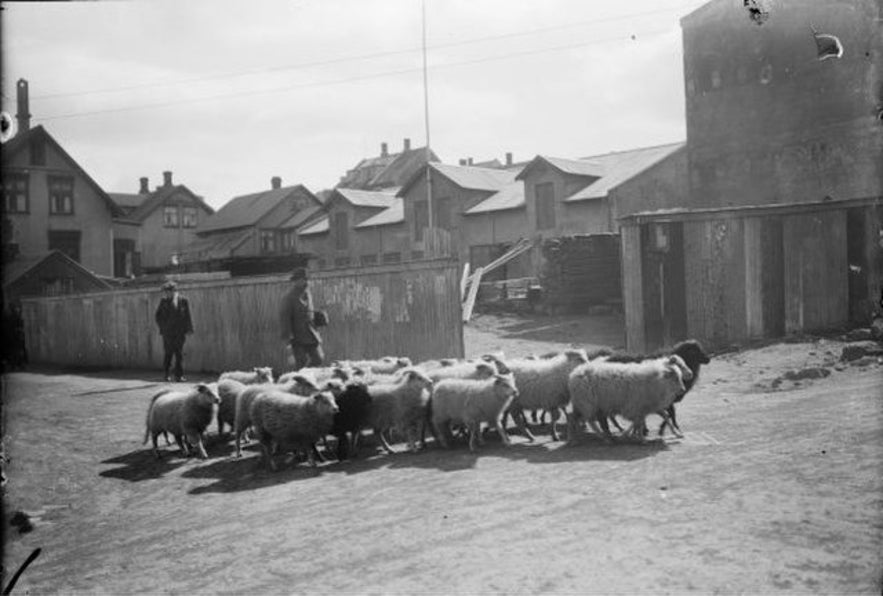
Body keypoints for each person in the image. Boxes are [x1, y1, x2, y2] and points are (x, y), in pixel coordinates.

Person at [280, 267, 325, 370]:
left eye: (307, 279)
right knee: (301, 362)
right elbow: (284, 318)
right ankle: (300, 381)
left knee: (318, 358)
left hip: (311, 334)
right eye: (303, 279)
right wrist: (288, 337)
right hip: (297, 337)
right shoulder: (289, 297)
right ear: (296, 281)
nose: (306, 282)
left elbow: (307, 311)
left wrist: (317, 315)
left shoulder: (307, 294)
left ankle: (307, 377)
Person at [154, 280, 193, 382]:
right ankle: (166, 374)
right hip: (168, 333)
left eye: (169, 291)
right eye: (166, 291)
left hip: (180, 332)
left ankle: (179, 376)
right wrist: (163, 327)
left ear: (174, 291)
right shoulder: (163, 301)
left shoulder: (183, 300)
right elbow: (158, 316)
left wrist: (189, 329)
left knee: (179, 354)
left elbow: (187, 316)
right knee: (168, 353)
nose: (167, 293)